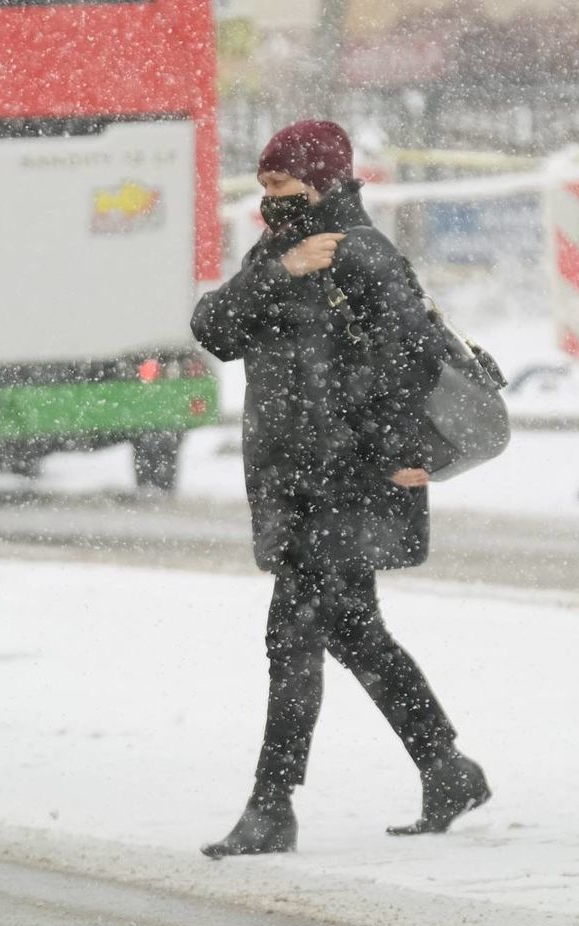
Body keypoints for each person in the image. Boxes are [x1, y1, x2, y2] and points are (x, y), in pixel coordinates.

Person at [192, 120, 490, 859]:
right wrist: (280, 270)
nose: (271, 201)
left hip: (348, 482)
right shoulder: (282, 253)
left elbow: (409, 362)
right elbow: (214, 328)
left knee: (291, 637)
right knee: (355, 634)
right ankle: (446, 767)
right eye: (262, 189)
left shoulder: (365, 256)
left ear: (323, 182)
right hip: (292, 480)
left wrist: (398, 454)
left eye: (283, 187)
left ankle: (273, 804)